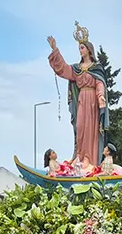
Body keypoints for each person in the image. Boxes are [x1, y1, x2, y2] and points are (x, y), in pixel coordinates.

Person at [47, 21, 109, 165]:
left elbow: (100, 82)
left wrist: (100, 96)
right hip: (81, 100)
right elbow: (63, 69)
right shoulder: (77, 68)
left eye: (82, 47)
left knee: (91, 130)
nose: (80, 50)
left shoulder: (96, 67)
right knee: (80, 128)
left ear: (89, 49)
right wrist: (55, 49)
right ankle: (79, 155)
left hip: (93, 101)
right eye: (79, 48)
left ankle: (89, 158)